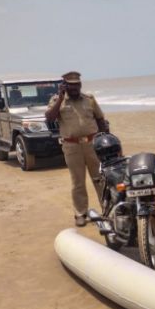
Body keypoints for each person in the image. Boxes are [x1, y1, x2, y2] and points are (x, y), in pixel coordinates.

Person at [45, 71, 107, 226]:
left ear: (80, 85)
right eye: (69, 85)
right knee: (78, 182)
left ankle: (107, 209)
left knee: (100, 179)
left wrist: (107, 140)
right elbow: (50, 118)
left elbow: (101, 120)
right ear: (64, 86)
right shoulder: (57, 101)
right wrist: (60, 97)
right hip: (71, 146)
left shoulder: (89, 100)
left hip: (92, 145)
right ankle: (80, 213)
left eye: (76, 85)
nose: (73, 88)